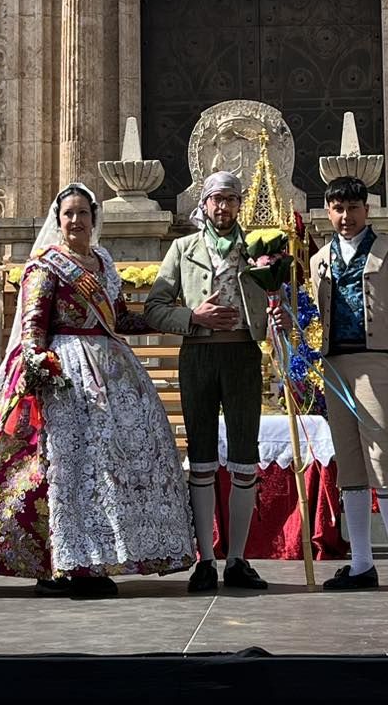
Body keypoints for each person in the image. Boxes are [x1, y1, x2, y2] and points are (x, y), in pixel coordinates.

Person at [0, 183, 194, 597]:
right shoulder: (45, 266)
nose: (75, 221)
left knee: (105, 470)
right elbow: (34, 326)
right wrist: (38, 370)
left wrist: (179, 319)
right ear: (58, 220)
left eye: (82, 214)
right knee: (62, 470)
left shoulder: (103, 262)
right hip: (62, 376)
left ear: (94, 218)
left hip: (111, 370)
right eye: (68, 214)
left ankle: (95, 560)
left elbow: (121, 320)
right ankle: (56, 565)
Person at [145, 170, 271, 593]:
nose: (223, 207)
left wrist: (278, 313)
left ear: (240, 204)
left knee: (244, 453)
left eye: (231, 199)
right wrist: (192, 317)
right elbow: (154, 307)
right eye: (216, 199)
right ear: (205, 204)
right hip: (198, 354)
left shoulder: (258, 249)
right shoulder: (183, 249)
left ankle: (237, 558)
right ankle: (206, 559)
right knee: (200, 453)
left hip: (241, 353)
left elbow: (282, 296)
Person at [309, 177, 388, 593]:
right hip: (335, 363)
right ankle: (361, 562)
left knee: (383, 456)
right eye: (338, 208)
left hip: (379, 359)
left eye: (353, 208)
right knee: (350, 463)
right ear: (328, 211)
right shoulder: (319, 258)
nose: (346, 217)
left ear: (367, 209)